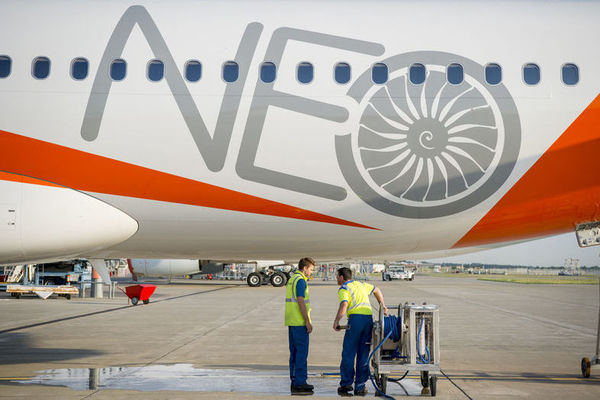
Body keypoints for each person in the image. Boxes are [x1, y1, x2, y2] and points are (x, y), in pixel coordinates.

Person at [333, 267, 388, 396]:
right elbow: (377, 290)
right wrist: (383, 305)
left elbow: (344, 305)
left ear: (341, 277)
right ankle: (360, 386)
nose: (337, 278)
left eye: (337, 276)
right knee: (364, 353)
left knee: (349, 352)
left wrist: (336, 321)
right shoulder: (361, 284)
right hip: (368, 320)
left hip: (355, 320)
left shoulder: (344, 288)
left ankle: (346, 384)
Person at [285, 257, 316, 395]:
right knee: (302, 354)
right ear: (304, 268)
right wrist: (307, 321)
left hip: (291, 321)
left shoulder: (292, 279)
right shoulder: (301, 281)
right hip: (299, 322)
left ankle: (294, 381)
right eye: (311, 269)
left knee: (294, 354)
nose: (311, 272)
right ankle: (300, 382)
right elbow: (301, 301)